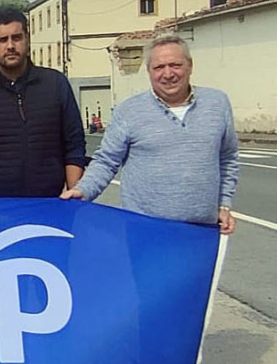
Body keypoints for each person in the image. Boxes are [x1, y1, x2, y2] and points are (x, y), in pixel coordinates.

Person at [62, 34, 239, 233]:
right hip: (144, 231)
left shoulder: (217, 103)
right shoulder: (128, 111)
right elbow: (106, 161)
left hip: (202, 231)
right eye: (159, 67)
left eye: (175, 65)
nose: (168, 74)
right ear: (149, 71)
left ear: (190, 66)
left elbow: (227, 158)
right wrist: (82, 190)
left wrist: (224, 204)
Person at [0, 7, 87, 198]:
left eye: (16, 38)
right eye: (2, 39)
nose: (10, 46)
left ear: (27, 39)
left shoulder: (56, 84)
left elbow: (74, 145)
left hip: (51, 204)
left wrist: (73, 196)